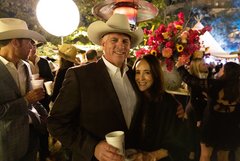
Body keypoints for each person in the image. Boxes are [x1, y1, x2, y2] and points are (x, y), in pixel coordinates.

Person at [47, 13, 144, 161]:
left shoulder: (134, 76)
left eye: (125, 41)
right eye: (114, 40)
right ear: (102, 44)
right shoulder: (80, 76)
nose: (121, 45)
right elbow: (56, 122)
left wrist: (177, 107)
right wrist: (93, 147)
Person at [0, 18, 47, 161]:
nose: (32, 48)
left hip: (31, 138)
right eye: (29, 42)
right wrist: (26, 100)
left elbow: (33, 100)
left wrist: (47, 117)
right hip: (6, 145)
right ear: (15, 42)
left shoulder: (25, 66)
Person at [176, 60, 240, 161]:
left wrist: (180, 68)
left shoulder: (214, 85)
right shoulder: (237, 89)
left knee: (205, 155)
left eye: (223, 69)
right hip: (230, 126)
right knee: (223, 157)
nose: (220, 69)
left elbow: (191, 81)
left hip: (211, 125)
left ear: (226, 72)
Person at [129, 54, 187, 161]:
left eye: (147, 72)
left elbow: (177, 144)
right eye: (138, 72)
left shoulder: (167, 103)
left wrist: (150, 157)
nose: (140, 78)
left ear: (155, 74)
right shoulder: (135, 98)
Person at [28, 42, 54, 161]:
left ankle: (45, 152)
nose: (32, 48)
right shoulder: (23, 63)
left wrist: (42, 79)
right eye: (30, 45)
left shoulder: (43, 62)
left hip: (43, 98)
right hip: (29, 100)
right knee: (32, 126)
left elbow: (51, 77)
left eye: (34, 46)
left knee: (44, 124)